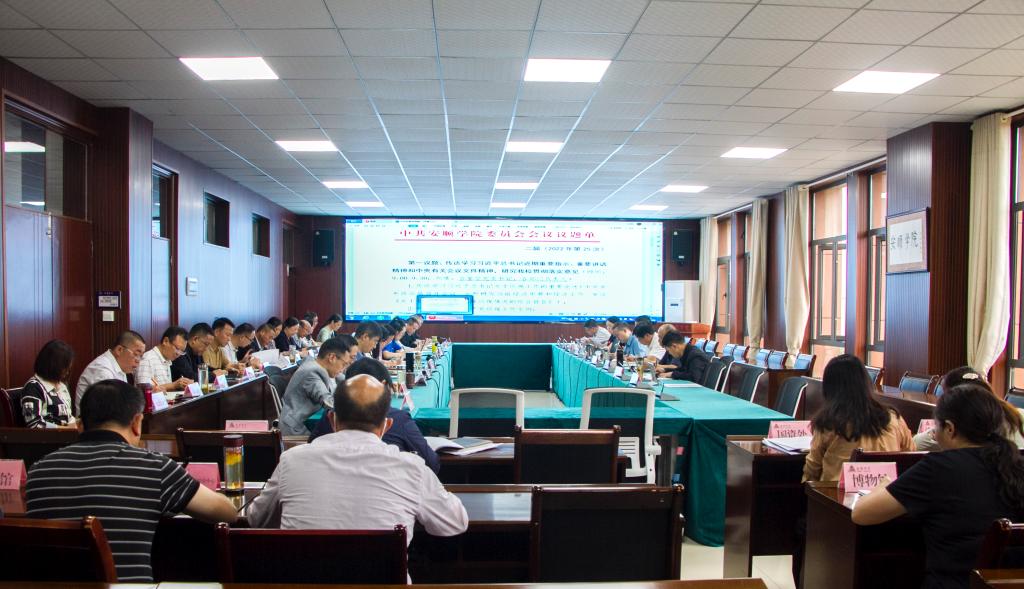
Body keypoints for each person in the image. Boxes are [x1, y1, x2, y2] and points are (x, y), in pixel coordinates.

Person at [26, 379, 237, 582]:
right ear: (137, 423)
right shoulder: (155, 467)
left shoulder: (38, 471)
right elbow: (227, 513)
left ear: (80, 425)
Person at [247, 373, 468, 560]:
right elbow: (454, 523)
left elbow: (257, 519)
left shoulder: (291, 460)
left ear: (332, 420)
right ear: (386, 426)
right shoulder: (412, 468)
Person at [852, 383, 1024, 589]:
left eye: (937, 427)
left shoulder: (939, 467)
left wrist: (884, 486)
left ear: (950, 428)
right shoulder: (1015, 463)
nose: (934, 434)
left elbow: (862, 514)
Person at [309, 358, 440, 473]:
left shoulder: (330, 415)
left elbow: (311, 449)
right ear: (386, 424)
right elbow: (431, 463)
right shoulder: (399, 419)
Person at [803, 355, 915, 483]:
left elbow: (812, 469)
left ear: (829, 388)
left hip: (835, 493)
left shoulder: (828, 423)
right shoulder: (893, 418)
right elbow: (911, 457)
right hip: (885, 492)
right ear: (866, 383)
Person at [913, 367, 1007, 451]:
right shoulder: (1001, 414)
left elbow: (917, 443)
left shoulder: (965, 424)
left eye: (945, 394)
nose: (941, 399)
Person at [279, 337, 353, 436]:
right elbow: (328, 401)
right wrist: (357, 409)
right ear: (332, 358)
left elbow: (345, 380)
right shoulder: (312, 372)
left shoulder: (318, 366)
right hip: (296, 429)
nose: (343, 369)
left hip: (305, 423)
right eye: (344, 364)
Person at [76, 331, 145, 415]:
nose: (138, 361)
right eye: (136, 354)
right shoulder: (102, 369)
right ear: (119, 350)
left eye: (141, 356)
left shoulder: (120, 367)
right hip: (95, 421)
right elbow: (110, 409)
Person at [21, 340, 76, 428]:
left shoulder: (62, 385)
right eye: (65, 367)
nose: (68, 371)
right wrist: (66, 429)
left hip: (69, 432)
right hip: (52, 436)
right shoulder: (33, 387)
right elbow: (33, 424)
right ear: (53, 365)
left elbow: (67, 417)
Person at [136, 326, 193, 394]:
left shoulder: (167, 360)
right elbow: (143, 390)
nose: (178, 354)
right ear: (165, 341)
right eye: (177, 349)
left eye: (182, 351)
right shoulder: (148, 359)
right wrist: (173, 385)